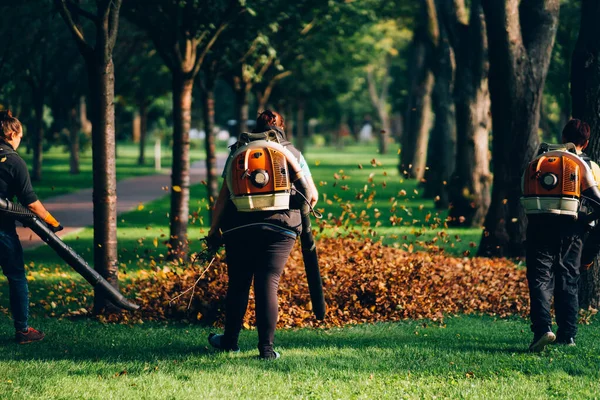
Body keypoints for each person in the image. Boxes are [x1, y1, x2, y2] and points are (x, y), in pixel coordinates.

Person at [206, 110, 318, 360]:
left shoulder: (238, 151)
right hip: (281, 228)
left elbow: (224, 197)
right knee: (268, 282)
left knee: (238, 284)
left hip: (239, 227)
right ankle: (266, 350)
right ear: (283, 127)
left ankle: (229, 342)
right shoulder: (292, 153)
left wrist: (214, 230)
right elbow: (312, 196)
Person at [524, 119, 600, 352]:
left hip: (539, 225)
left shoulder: (540, 160)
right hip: (572, 229)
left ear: (563, 135)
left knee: (539, 277)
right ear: (585, 143)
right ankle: (567, 335)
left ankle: (542, 329)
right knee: (568, 278)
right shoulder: (588, 166)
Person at [0, 110, 63, 344]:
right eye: (20, 136)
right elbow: (32, 204)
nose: (20, 141)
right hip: (2, 231)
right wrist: (52, 222)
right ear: (12, 133)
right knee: (16, 276)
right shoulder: (14, 162)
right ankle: (23, 330)